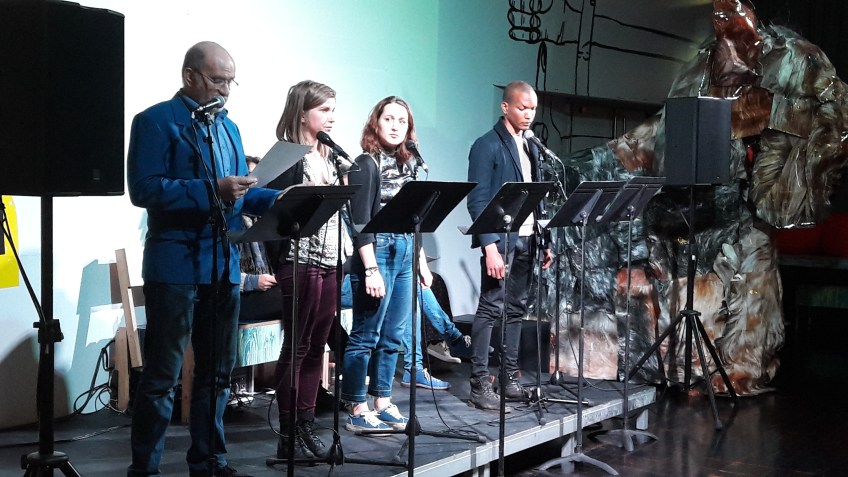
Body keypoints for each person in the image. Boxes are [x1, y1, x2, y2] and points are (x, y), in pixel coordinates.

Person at [126, 41, 279, 477]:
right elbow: (144, 189)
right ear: (190, 75)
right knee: (163, 375)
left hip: (222, 264)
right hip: (175, 263)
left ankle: (210, 460)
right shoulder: (156, 121)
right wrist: (212, 190)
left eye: (231, 82)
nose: (225, 90)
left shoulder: (228, 128)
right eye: (217, 80)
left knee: (217, 374)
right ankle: (145, 469)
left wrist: (282, 197)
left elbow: (240, 193)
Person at [268, 80, 350, 460]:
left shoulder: (331, 156)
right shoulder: (287, 157)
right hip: (299, 260)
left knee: (318, 347)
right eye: (324, 110)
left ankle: (306, 425)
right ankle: (287, 434)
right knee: (297, 346)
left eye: (333, 110)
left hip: (330, 260)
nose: (331, 117)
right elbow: (272, 214)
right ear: (303, 114)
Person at [341, 96, 431, 432]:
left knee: (394, 334)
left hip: (405, 249)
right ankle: (356, 405)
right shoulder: (365, 163)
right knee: (366, 334)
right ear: (375, 122)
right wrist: (370, 269)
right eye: (389, 119)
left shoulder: (409, 164)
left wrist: (420, 260)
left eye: (402, 121)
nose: (395, 126)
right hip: (376, 250)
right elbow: (360, 222)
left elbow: (413, 217)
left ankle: (382, 400)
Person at [465, 80, 553, 411]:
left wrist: (545, 240)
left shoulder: (531, 145)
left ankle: (508, 378)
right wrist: (489, 247)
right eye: (522, 108)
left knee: (516, 309)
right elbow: (477, 201)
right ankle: (479, 383)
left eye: (532, 109)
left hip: (529, 238)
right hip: (501, 241)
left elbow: (536, 195)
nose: (528, 114)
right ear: (505, 107)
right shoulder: (486, 145)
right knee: (491, 307)